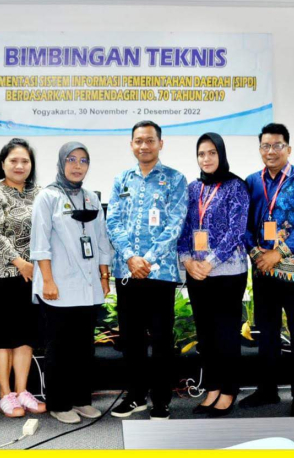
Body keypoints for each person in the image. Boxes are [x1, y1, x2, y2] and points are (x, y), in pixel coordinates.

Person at [107, 120, 188, 421]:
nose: (144, 146)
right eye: (139, 140)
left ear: (160, 144)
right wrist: (130, 257)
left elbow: (176, 225)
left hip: (160, 273)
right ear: (132, 144)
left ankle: (161, 401)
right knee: (132, 339)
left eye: (150, 140)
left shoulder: (175, 179)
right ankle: (136, 396)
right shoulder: (122, 180)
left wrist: (148, 259)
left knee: (162, 340)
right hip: (127, 271)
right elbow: (113, 221)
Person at [240, 123, 294, 417]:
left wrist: (279, 253)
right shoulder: (252, 181)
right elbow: (244, 223)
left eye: (277, 145)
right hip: (263, 269)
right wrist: (255, 252)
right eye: (265, 146)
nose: (270, 151)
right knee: (267, 331)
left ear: (288, 148)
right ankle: (267, 389)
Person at [29, 142, 112, 424]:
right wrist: (47, 281)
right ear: (61, 162)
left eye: (83, 160)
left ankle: (81, 399)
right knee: (60, 348)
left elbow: (101, 240)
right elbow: (40, 243)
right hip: (58, 286)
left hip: (88, 287)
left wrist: (104, 277)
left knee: (84, 348)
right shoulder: (47, 197)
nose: (77, 166)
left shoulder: (90, 198)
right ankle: (59, 403)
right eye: (72, 159)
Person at [177, 132, 250, 417]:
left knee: (226, 333)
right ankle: (213, 387)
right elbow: (184, 228)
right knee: (206, 334)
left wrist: (210, 262)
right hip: (197, 273)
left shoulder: (236, 186)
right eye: (201, 154)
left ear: (221, 154)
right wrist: (187, 260)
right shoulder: (193, 188)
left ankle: (229, 390)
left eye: (211, 153)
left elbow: (236, 231)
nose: (206, 159)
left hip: (228, 272)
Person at [0, 138, 46, 418]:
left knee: (25, 337)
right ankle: (5, 395)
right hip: (1, 276)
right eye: (13, 161)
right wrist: (20, 263)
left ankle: (22, 392)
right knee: (3, 338)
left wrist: (36, 267)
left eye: (25, 161)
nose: (19, 166)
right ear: (3, 164)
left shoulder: (39, 193)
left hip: (32, 277)